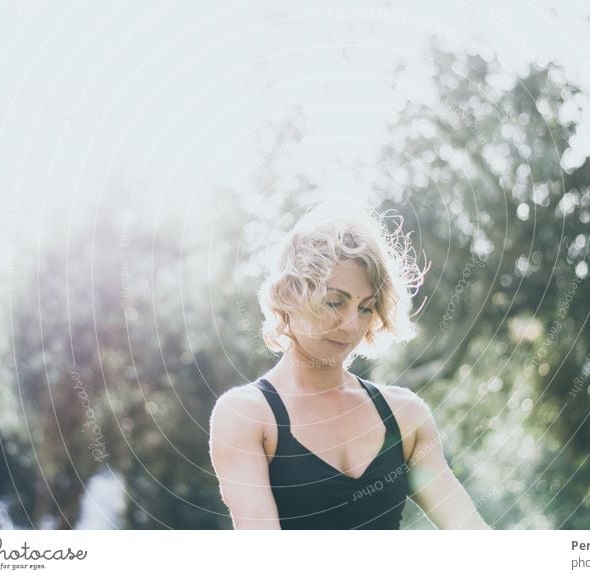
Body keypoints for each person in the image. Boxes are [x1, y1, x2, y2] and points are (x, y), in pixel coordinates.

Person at [209, 201, 490, 530]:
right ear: (288, 294)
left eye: (367, 308)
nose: (350, 325)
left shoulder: (405, 415)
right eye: (333, 302)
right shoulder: (246, 415)